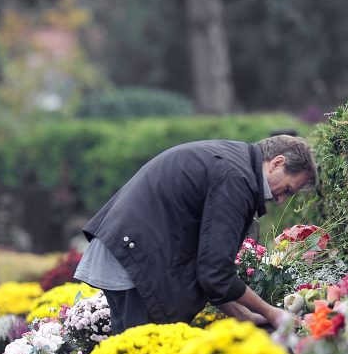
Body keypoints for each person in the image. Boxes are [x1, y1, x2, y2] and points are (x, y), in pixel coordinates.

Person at [74, 135, 317, 333]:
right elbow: (216, 274)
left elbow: (209, 269)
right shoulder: (236, 179)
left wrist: (243, 314)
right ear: (276, 163)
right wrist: (271, 313)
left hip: (126, 251)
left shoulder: (236, 164)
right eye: (287, 189)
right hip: (132, 261)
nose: (281, 200)